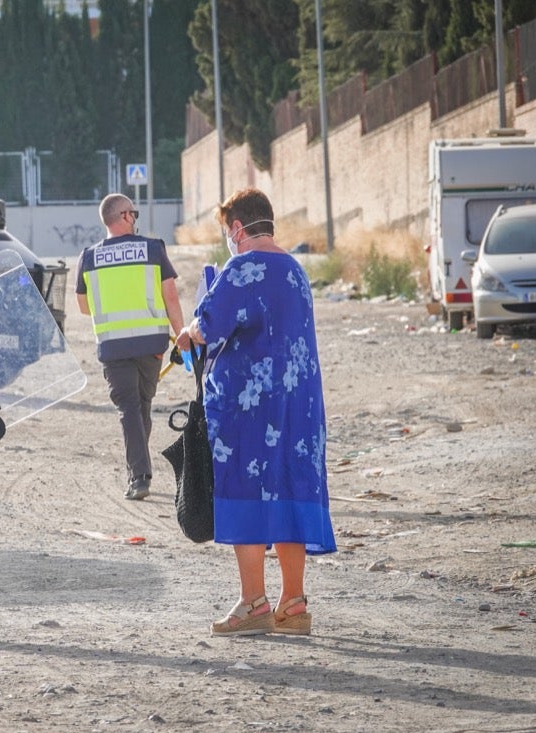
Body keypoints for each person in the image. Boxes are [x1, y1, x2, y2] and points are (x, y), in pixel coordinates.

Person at [175, 187, 336, 636]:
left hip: (250, 407)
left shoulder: (241, 267)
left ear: (238, 228)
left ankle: (253, 603)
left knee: (244, 492)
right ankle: (293, 603)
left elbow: (210, 326)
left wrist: (187, 332)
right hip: (300, 406)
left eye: (228, 231)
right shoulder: (296, 270)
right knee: (290, 489)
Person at [76, 194, 185, 500]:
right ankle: (140, 472)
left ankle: (139, 476)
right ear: (124, 216)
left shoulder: (89, 257)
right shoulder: (153, 249)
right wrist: (182, 336)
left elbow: (83, 307)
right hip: (151, 344)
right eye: (133, 213)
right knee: (141, 405)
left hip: (114, 347)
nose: (135, 218)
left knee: (130, 409)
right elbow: (170, 297)